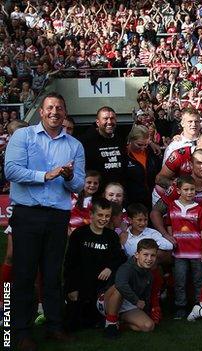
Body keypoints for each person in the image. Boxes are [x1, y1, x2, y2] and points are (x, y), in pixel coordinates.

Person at [5, 92, 85, 349]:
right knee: (24, 274)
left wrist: (70, 177)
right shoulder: (23, 136)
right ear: (41, 112)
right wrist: (45, 175)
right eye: (50, 107)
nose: (54, 112)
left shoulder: (74, 145)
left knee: (52, 275)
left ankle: (54, 327)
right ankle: (20, 332)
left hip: (58, 216)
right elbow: (11, 170)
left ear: (65, 113)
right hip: (28, 214)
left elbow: (79, 183)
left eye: (59, 108)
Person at [151, 175, 202, 319]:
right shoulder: (172, 206)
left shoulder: (199, 209)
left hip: (196, 252)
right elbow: (169, 225)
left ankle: (199, 306)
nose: (190, 192)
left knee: (198, 280)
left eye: (192, 190)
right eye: (186, 189)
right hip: (180, 253)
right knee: (180, 281)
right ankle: (180, 307)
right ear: (178, 190)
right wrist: (171, 241)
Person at [64, 198, 126, 331]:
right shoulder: (79, 234)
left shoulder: (112, 236)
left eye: (107, 216)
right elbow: (70, 263)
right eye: (100, 215)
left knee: (96, 320)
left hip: (101, 288)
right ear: (91, 215)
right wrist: (71, 288)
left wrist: (110, 268)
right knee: (72, 324)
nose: (104, 219)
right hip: (80, 285)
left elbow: (119, 257)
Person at [100, 238, 159, 339]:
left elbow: (146, 296)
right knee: (120, 288)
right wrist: (136, 301)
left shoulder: (149, 274)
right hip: (109, 301)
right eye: (145, 254)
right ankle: (110, 324)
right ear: (137, 255)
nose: (149, 259)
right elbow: (120, 285)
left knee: (148, 326)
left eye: (152, 255)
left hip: (129, 304)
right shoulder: (127, 267)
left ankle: (119, 322)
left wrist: (148, 311)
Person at [79, 106, 128, 187]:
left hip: (118, 192)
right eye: (105, 118)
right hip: (96, 193)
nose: (109, 122)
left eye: (112, 118)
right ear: (97, 122)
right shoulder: (86, 141)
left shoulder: (120, 139)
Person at [125, 125, 161, 208]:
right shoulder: (124, 154)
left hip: (152, 199)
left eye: (145, 144)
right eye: (139, 144)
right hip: (132, 202)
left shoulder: (152, 151)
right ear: (131, 140)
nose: (142, 148)